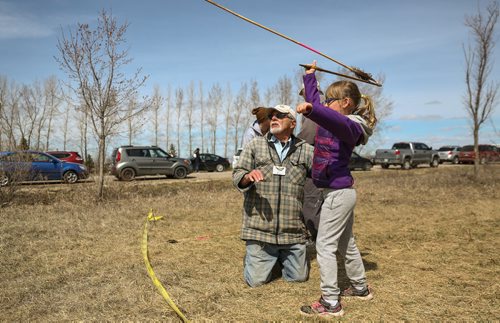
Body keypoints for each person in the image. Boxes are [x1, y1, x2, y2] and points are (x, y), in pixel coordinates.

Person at [298, 61, 377, 318]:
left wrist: (313, 109)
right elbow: (317, 107)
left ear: (345, 103)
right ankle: (361, 288)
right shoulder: (334, 118)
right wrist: (310, 76)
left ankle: (330, 302)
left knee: (325, 246)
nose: (326, 103)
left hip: (338, 194)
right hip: (338, 193)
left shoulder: (350, 125)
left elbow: (322, 112)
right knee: (347, 243)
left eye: (330, 99)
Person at [232, 104, 314, 287]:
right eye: (272, 116)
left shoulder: (306, 150)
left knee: (298, 278)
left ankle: (278, 258)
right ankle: (258, 256)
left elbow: (323, 175)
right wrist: (247, 177)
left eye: (280, 116)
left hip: (292, 233)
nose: (274, 118)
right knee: (256, 282)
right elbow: (237, 174)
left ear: (293, 123)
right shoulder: (255, 145)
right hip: (260, 231)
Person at [296, 81, 324, 243]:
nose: (303, 96)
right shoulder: (318, 106)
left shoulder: (315, 106)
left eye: (303, 93)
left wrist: (291, 143)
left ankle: (321, 240)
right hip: (317, 161)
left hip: (314, 163)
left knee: (311, 203)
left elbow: (309, 133)